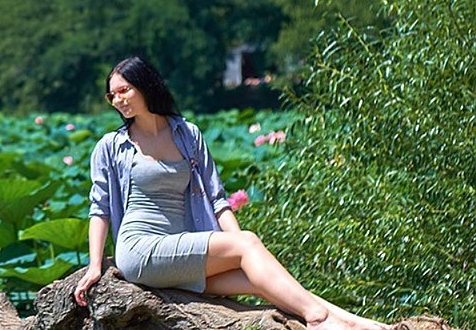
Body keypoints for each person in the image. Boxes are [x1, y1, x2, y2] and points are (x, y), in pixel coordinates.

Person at [72, 56, 386, 330]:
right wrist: (95, 266)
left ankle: (358, 324)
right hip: (141, 249)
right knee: (248, 246)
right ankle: (318, 320)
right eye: (112, 95)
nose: (117, 100)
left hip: (180, 250)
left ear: (145, 85)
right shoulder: (111, 147)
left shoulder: (187, 134)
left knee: (262, 278)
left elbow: (217, 199)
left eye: (124, 90)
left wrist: (238, 253)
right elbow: (99, 209)